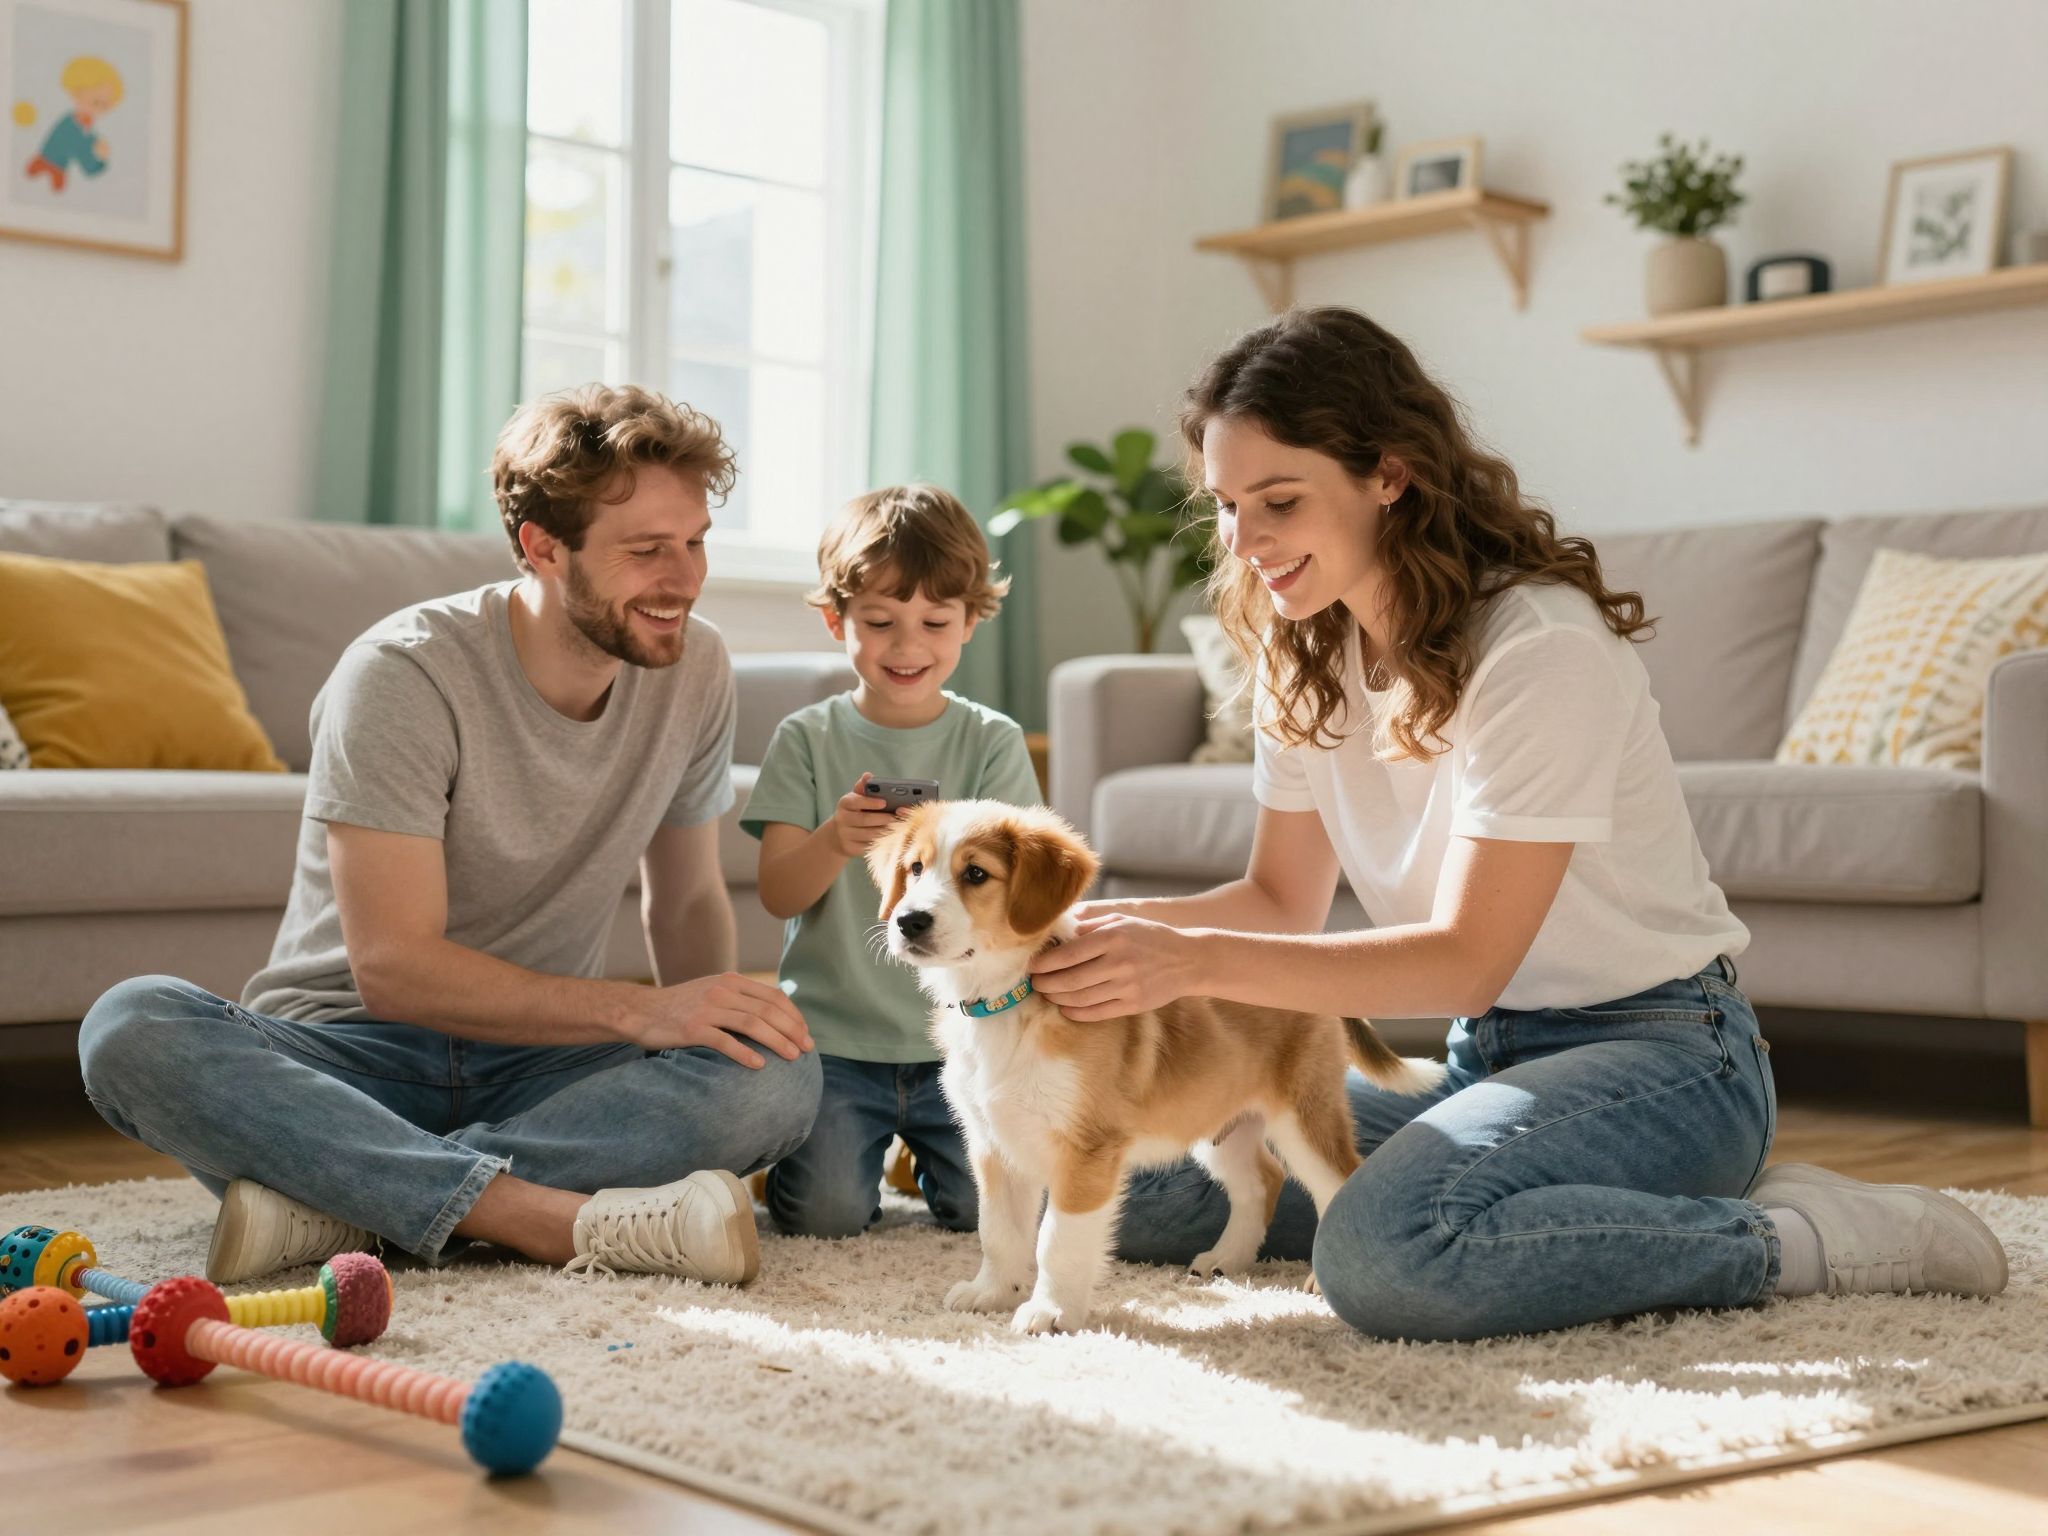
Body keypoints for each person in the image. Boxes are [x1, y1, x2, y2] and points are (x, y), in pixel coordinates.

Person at [1030, 307, 2009, 1340]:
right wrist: (1112, 937)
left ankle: (1792, 1238)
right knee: (1131, 1179)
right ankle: (1565, 1201)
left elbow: (1467, 962)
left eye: (1278, 501)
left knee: (1382, 1250)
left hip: (1663, 1056)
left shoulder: (1535, 642)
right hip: (1480, 1062)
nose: (1243, 541)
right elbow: (1280, 899)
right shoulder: (1304, 655)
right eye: (1226, 505)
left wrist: (1183, 965)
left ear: (1389, 476)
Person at [79, 385, 820, 1285]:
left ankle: (339, 1197)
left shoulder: (694, 666)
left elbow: (690, 897)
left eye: (696, 542)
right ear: (542, 547)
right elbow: (393, 969)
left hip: (538, 1067)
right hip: (349, 1055)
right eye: (647, 551)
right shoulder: (401, 675)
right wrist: (638, 1010)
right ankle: (535, 1217)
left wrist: (711, 1023)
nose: (686, 578)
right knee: (129, 1025)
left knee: (781, 1076)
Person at [743, 484, 1040, 1237]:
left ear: (971, 621)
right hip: (835, 1043)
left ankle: (911, 1155)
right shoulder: (807, 740)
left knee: (989, 1213)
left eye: (935, 623)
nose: (907, 647)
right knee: (823, 1216)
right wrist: (833, 841)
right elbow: (778, 893)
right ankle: (844, 1150)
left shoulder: (992, 741)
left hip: (969, 1035)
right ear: (835, 619)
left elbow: (1024, 898)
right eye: (879, 623)